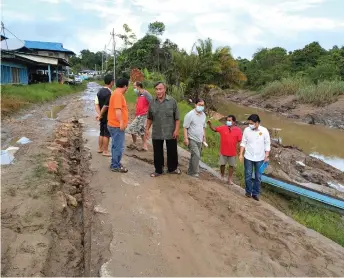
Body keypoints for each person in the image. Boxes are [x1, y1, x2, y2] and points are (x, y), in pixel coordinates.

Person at [145, 82, 181, 177]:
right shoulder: (152, 102)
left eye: (160, 89)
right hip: (157, 131)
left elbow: (177, 118)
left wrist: (176, 130)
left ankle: (172, 168)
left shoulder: (172, 101)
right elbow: (149, 118)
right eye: (156, 89)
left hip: (170, 131)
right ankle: (158, 170)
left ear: (165, 89)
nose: (158, 91)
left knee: (172, 151)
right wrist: (147, 129)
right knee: (157, 152)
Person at [239, 114, 271, 201]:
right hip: (248, 157)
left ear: (257, 123)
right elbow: (243, 142)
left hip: (260, 158)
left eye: (252, 123)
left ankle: (255, 193)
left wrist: (266, 155)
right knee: (248, 175)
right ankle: (248, 192)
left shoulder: (264, 131)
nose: (250, 125)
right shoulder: (246, 130)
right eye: (249, 123)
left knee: (258, 177)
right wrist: (241, 154)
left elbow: (267, 144)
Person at [208, 115, 242, 185]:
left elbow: (239, 142)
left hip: (232, 152)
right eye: (227, 120)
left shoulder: (238, 130)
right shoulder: (223, 128)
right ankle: (222, 176)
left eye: (229, 120)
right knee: (222, 164)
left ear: (233, 122)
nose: (228, 122)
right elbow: (214, 129)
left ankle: (229, 179)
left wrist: (239, 153)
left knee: (231, 166)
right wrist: (210, 124)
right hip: (223, 151)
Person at [106, 78, 129, 173]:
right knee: (118, 146)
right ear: (125, 86)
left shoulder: (115, 93)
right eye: (127, 86)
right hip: (116, 125)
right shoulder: (118, 95)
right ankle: (115, 165)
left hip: (113, 124)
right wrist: (121, 122)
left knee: (115, 145)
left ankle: (115, 163)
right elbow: (118, 110)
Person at [183, 98, 206, 178]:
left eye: (202, 105)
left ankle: (190, 172)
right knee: (196, 155)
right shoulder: (190, 115)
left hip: (199, 139)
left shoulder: (203, 115)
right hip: (191, 138)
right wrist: (186, 138)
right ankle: (195, 172)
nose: (201, 106)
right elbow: (185, 127)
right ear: (195, 105)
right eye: (199, 105)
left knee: (194, 155)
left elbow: (203, 127)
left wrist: (204, 137)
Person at [127, 81, 152, 151]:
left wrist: (149, 112)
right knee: (131, 128)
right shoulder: (138, 94)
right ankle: (134, 143)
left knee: (141, 129)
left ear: (139, 86)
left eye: (134, 86)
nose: (134, 88)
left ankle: (145, 145)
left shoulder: (146, 93)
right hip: (138, 114)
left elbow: (152, 102)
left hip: (144, 114)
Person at [95, 74, 114, 157]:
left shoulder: (99, 91)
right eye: (113, 81)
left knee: (101, 132)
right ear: (111, 82)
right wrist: (101, 114)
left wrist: (99, 115)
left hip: (102, 116)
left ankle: (100, 148)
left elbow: (96, 104)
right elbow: (106, 106)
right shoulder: (110, 93)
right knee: (107, 134)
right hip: (107, 116)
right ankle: (105, 151)